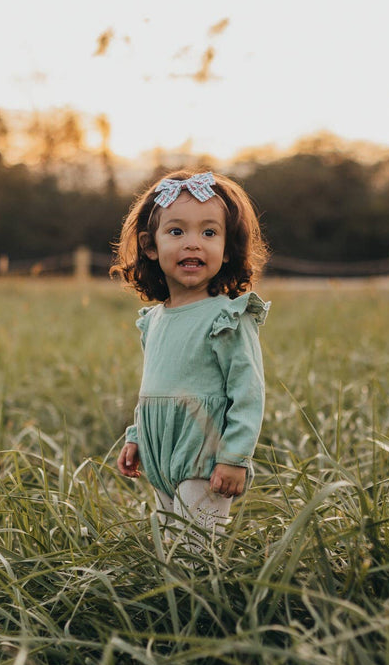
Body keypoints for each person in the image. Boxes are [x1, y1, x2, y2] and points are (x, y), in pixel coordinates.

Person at [110, 170, 270, 548]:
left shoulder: (227, 317)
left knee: (192, 554)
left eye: (209, 233)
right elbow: (153, 386)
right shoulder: (155, 321)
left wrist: (234, 458)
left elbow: (249, 393)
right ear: (150, 246)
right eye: (177, 232)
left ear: (228, 248)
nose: (193, 244)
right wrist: (136, 437)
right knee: (169, 546)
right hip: (161, 451)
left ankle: (203, 607)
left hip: (205, 455)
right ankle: (173, 606)